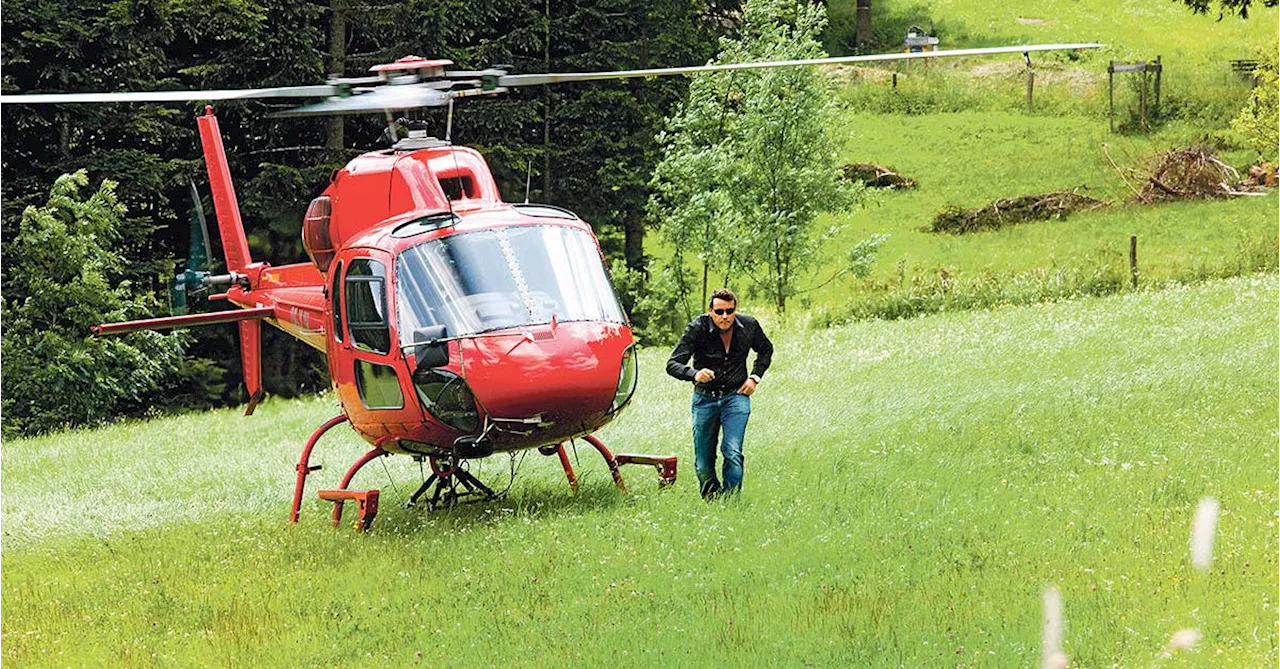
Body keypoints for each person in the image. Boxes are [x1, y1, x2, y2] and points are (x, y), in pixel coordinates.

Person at [666, 289, 773, 499]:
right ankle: (713, 501)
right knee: (703, 463)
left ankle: (731, 502)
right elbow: (672, 364)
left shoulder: (749, 325)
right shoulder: (697, 328)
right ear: (710, 311)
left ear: (735, 309)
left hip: (736, 397)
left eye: (729, 311)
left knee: (732, 452)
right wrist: (694, 374)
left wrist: (754, 377)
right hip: (704, 399)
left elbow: (766, 349)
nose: (725, 316)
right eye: (719, 311)